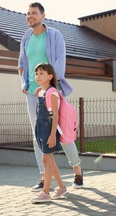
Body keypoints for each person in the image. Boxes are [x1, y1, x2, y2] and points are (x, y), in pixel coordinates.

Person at [18, 2, 83, 192]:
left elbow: (59, 64)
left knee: (63, 133)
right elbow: (21, 62)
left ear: (43, 15)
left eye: (34, 13)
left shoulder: (55, 36)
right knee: (38, 135)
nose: (30, 16)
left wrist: (48, 88)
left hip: (52, 91)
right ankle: (43, 177)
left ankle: (77, 169)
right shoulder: (26, 37)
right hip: (32, 93)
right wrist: (24, 84)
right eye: (28, 13)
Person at [31, 63, 67, 203]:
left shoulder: (53, 93)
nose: (38, 76)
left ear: (50, 76)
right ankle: (62, 187)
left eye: (41, 73)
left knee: (46, 160)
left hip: (48, 129)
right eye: (36, 74)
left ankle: (45, 192)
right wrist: (41, 89)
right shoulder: (41, 91)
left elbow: (55, 117)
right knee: (50, 160)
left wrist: (52, 135)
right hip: (40, 127)